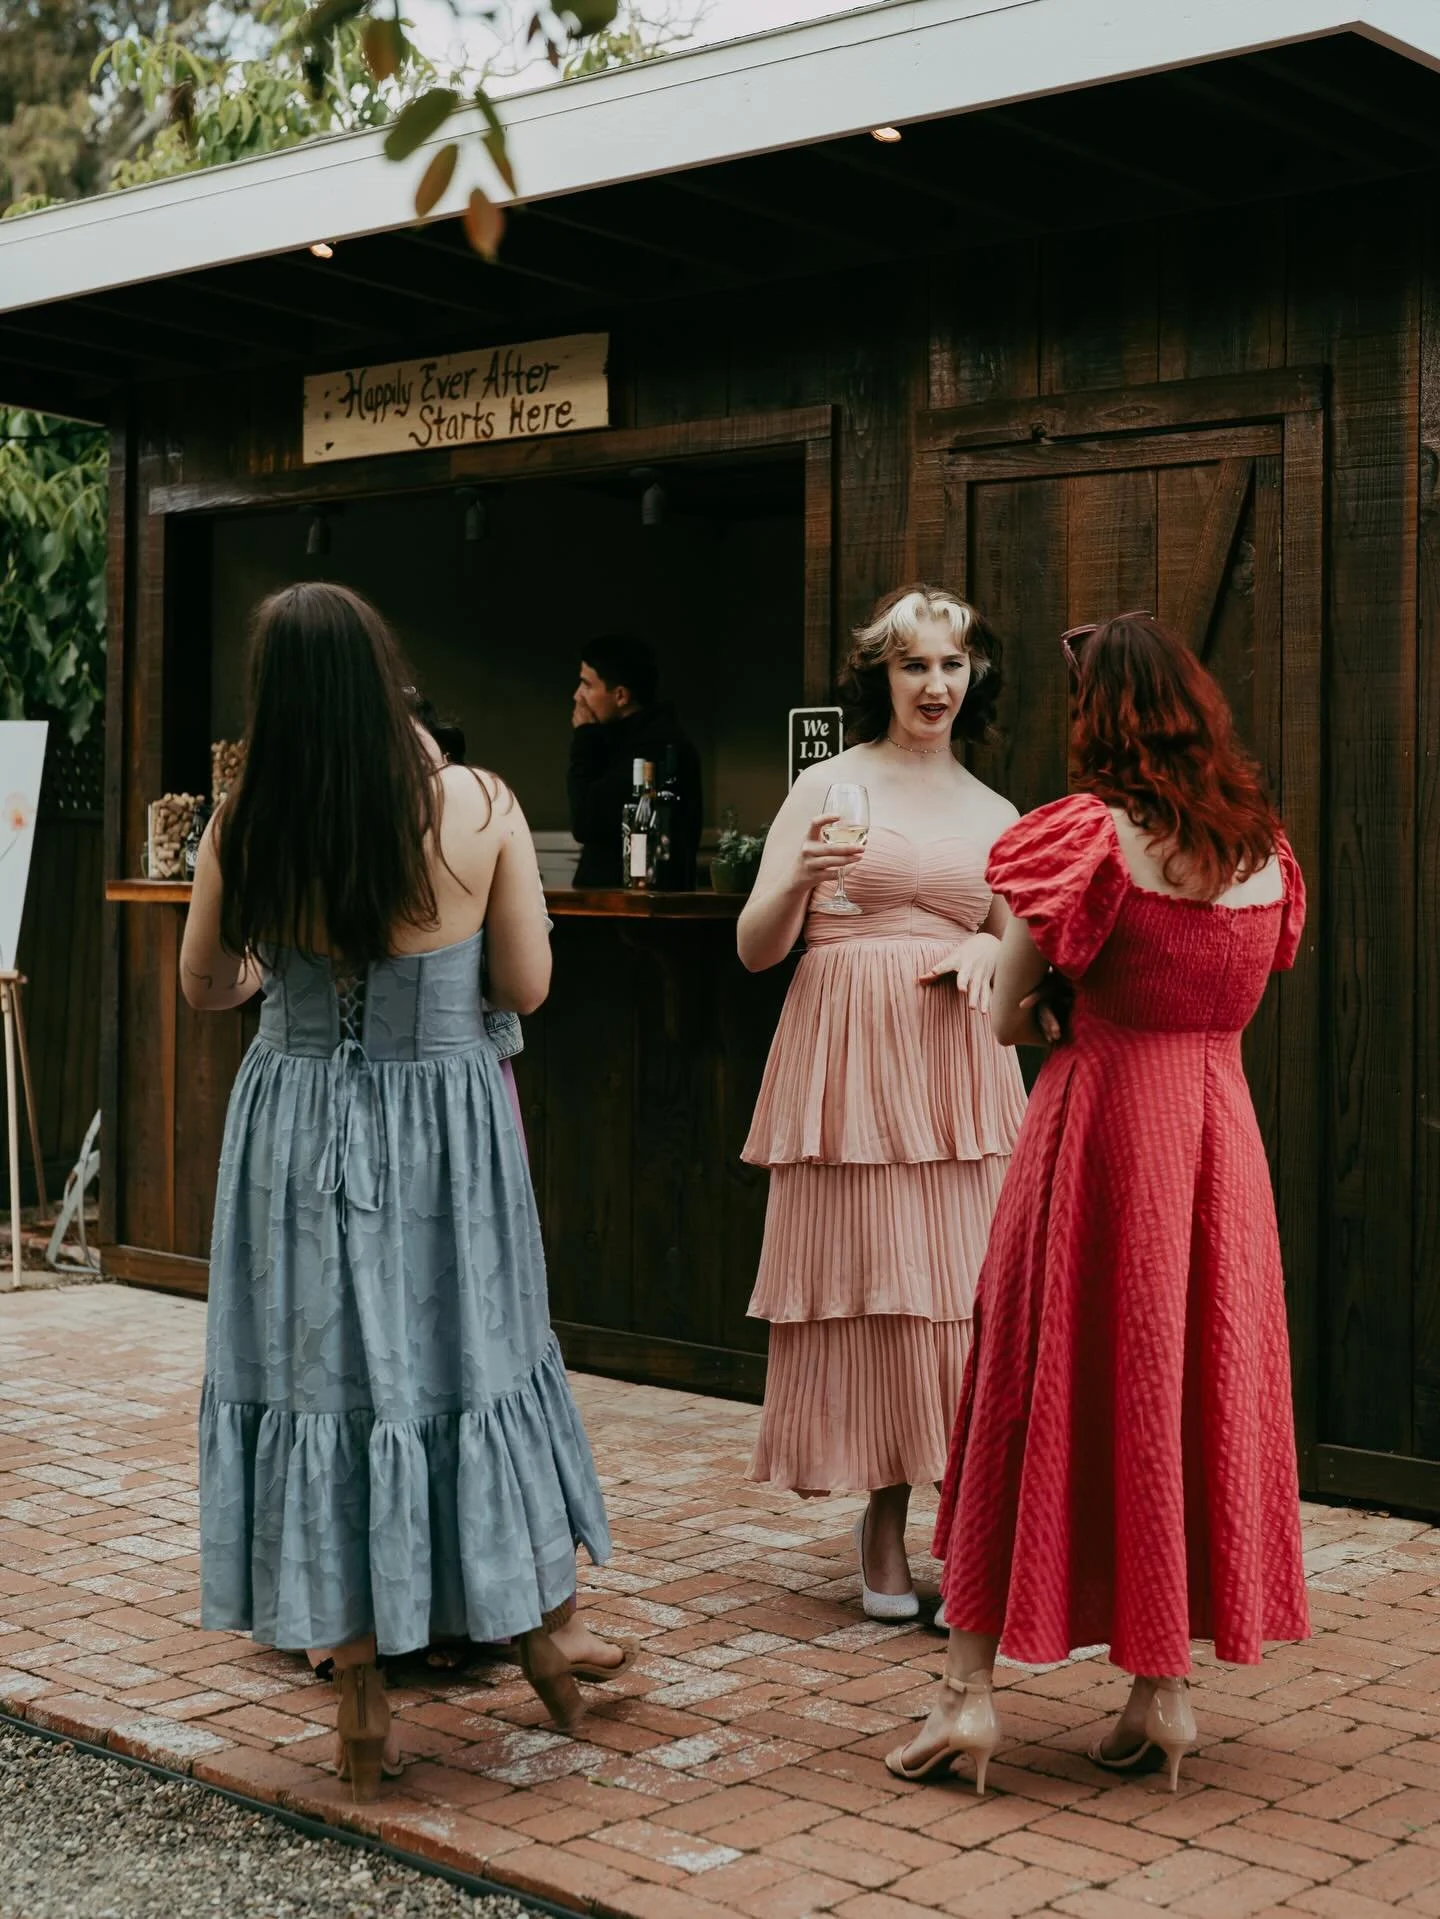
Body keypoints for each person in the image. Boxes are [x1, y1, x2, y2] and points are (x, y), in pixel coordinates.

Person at [181, 583, 616, 1802]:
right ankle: (538, 1628)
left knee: (323, 1374)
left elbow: (206, 983)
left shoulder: (245, 824)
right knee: (471, 1355)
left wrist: (280, 975)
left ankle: (361, 1682)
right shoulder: (479, 806)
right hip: (445, 1126)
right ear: (388, 679)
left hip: (296, 1121)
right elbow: (525, 985)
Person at [890, 613, 1308, 1797]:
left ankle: (967, 1692)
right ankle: (1161, 1689)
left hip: (1099, 1133)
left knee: (1030, 1382)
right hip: (1218, 1150)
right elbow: (1238, 990)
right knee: (1184, 1386)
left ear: (1102, 716)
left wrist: (1059, 1004)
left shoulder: (1086, 839)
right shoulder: (1267, 852)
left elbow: (1007, 1010)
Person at [737, 584, 1026, 1620]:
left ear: (973, 676)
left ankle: (972, 1531)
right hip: (847, 1066)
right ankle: (884, 1518)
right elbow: (756, 947)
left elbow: (1022, 957)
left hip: (956, 1077)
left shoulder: (998, 812)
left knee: (966, 1296)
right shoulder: (827, 782)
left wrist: (990, 947)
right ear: (882, 675)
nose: (935, 684)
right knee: (876, 1292)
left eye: (951, 664)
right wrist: (796, 880)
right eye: (914, 665)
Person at [567, 634, 701, 887]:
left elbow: (587, 821)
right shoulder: (616, 740)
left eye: (587, 685)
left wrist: (585, 740)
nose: (577, 696)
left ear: (620, 695)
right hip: (610, 899)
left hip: (632, 903)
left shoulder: (655, 748)